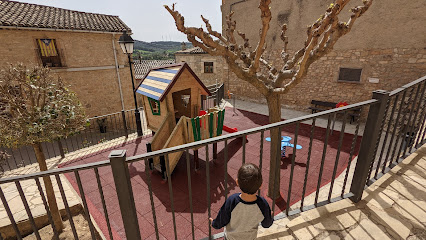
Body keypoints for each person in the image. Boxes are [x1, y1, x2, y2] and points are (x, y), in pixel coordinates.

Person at [210, 163, 273, 239]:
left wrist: (214, 223)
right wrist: (270, 216)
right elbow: (266, 224)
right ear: (260, 185)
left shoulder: (232, 201)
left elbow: (222, 219)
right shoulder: (262, 204)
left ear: (237, 182)